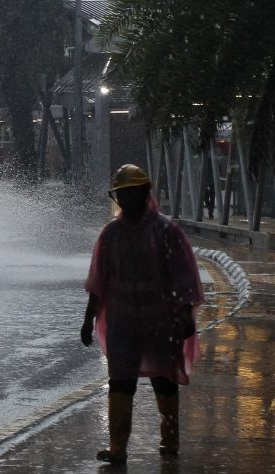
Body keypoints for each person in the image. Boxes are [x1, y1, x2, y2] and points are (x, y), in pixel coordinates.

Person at [81, 164, 203, 464]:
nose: (124, 200)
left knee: (164, 379)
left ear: (144, 193)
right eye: (119, 195)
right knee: (121, 382)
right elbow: (98, 280)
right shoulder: (110, 234)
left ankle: (170, 440)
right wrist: (87, 319)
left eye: (129, 194)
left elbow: (184, 276)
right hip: (122, 322)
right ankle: (118, 447)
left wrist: (185, 314)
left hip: (160, 320)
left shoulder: (165, 231)